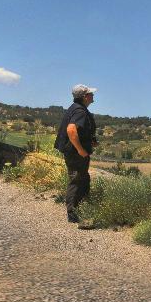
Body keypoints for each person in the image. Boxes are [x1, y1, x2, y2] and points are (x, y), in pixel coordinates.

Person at [54, 84, 97, 222]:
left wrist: (90, 141)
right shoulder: (80, 111)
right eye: (90, 93)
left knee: (83, 179)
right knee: (77, 180)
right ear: (85, 97)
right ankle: (73, 214)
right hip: (76, 153)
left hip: (75, 152)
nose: (93, 95)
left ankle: (82, 209)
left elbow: (79, 130)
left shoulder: (75, 109)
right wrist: (81, 150)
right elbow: (71, 130)